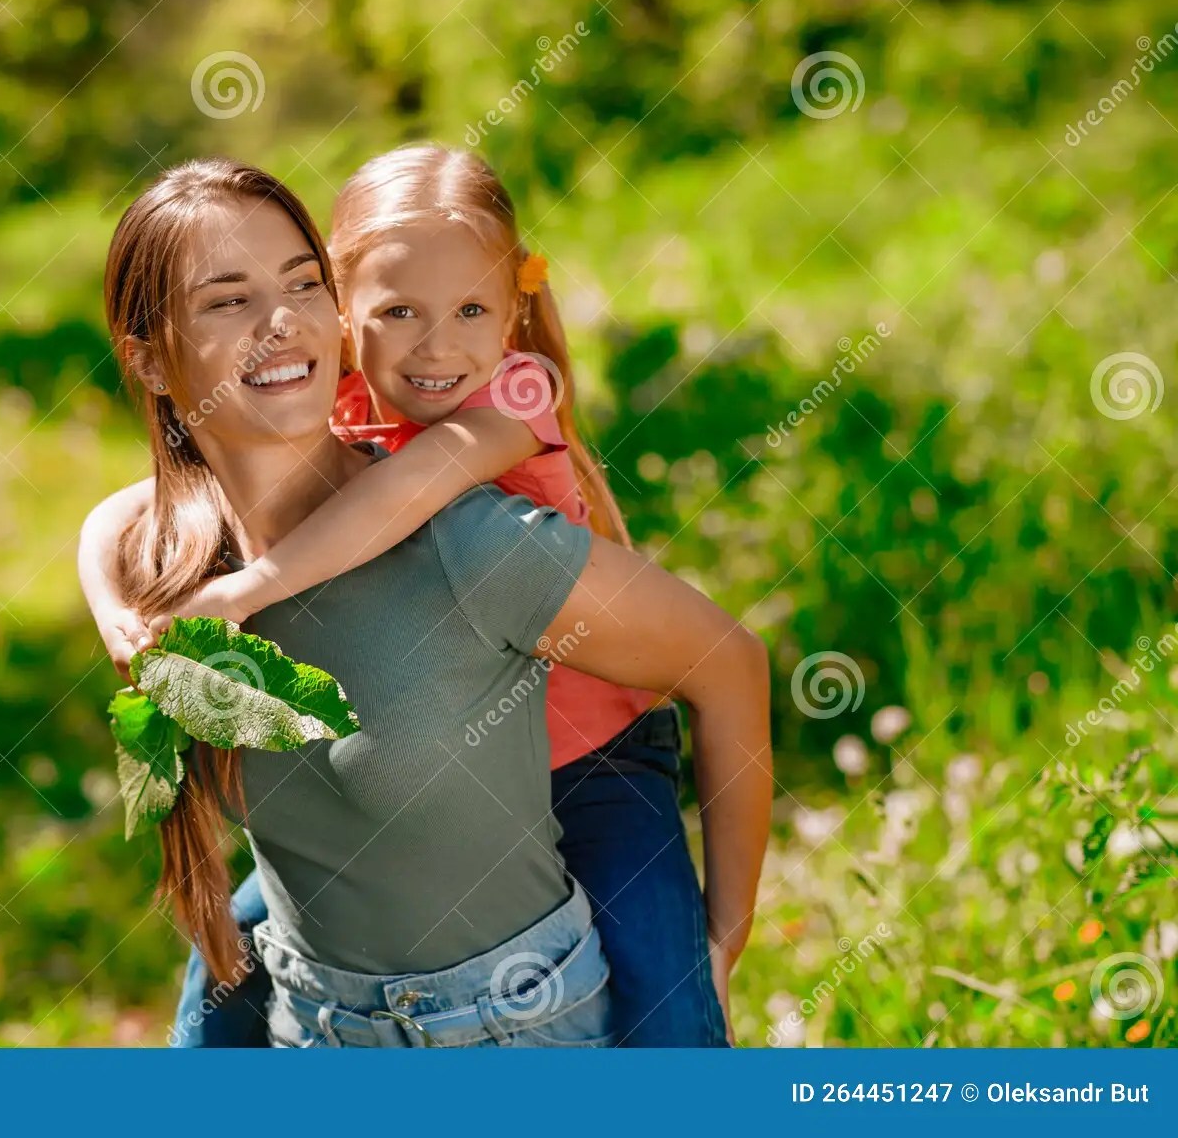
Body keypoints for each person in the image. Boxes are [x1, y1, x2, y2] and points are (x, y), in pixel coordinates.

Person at [82, 156, 772, 1047]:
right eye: (398, 311)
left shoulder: (507, 409)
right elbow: (122, 512)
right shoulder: (342, 392)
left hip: (597, 761)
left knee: (669, 993)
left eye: (298, 287)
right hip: (370, 944)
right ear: (355, 307)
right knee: (233, 966)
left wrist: (251, 586)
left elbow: (402, 497)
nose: (435, 344)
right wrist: (113, 609)